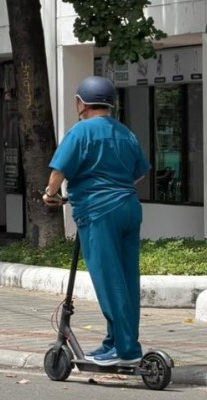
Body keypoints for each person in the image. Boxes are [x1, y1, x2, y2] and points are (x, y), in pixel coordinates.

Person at [42, 76, 151, 366]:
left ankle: (126, 350)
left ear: (81, 104)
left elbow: (58, 172)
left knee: (109, 279)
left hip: (99, 212)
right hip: (129, 207)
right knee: (127, 278)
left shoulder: (81, 131)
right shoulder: (125, 133)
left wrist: (50, 195)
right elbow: (141, 171)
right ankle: (115, 341)